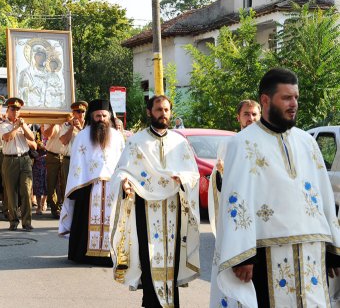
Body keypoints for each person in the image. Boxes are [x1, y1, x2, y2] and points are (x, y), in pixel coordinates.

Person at [210, 68, 340, 308]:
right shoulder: (243, 143)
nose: (294, 104)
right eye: (287, 98)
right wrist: (243, 254)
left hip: (311, 251)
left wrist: (332, 248)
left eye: (296, 97)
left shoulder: (307, 142)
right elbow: (237, 201)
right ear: (265, 100)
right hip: (267, 255)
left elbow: (323, 197)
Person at [109, 95, 200, 308]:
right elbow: (122, 170)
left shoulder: (180, 142)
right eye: (159, 109)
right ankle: (151, 302)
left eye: (167, 110)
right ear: (150, 112)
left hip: (173, 206)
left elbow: (193, 174)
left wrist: (184, 179)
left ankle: (172, 303)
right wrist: (124, 182)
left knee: (173, 258)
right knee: (149, 256)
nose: (163, 114)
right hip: (146, 207)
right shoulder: (137, 142)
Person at [59, 99, 124, 266]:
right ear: (91, 117)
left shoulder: (117, 137)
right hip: (88, 187)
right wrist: (80, 185)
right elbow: (77, 164)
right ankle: (84, 255)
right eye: (97, 116)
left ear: (109, 117)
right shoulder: (81, 137)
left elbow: (123, 161)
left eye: (104, 115)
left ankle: (112, 255)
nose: (101, 119)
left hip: (112, 187)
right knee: (85, 220)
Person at [208, 99, 261, 234]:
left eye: (254, 114)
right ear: (238, 117)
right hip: (239, 205)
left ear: (260, 116)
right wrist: (222, 171)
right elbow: (219, 181)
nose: (251, 118)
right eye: (246, 114)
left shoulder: (268, 143)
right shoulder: (229, 143)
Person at [43, 101, 87, 219]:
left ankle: (79, 210)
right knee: (65, 186)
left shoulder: (88, 127)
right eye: (77, 112)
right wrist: (72, 127)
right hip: (68, 159)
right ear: (73, 113)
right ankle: (62, 210)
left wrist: (80, 128)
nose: (80, 114)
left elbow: (89, 141)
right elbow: (63, 140)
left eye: (82, 112)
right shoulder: (67, 125)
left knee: (81, 186)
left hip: (83, 161)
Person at [0, 97, 35, 231]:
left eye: (17, 109)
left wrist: (23, 125)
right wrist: (16, 126)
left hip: (25, 159)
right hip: (10, 160)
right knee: (11, 192)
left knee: (26, 190)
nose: (15, 111)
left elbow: (31, 138)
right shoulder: (2, 124)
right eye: (12, 109)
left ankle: (27, 222)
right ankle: (13, 221)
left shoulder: (24, 124)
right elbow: (7, 137)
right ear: (7, 110)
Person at [18, 43, 49, 107]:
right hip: (32, 105)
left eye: (43, 55)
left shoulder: (48, 73)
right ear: (33, 56)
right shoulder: (26, 72)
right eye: (39, 55)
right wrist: (31, 88)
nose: (41, 58)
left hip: (46, 105)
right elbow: (21, 90)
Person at [31, 124, 47, 215]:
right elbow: (33, 148)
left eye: (45, 126)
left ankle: (44, 202)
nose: (43, 127)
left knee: (46, 183)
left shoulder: (51, 134)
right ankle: (39, 206)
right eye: (42, 126)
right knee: (38, 184)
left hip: (48, 161)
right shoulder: (36, 135)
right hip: (38, 162)